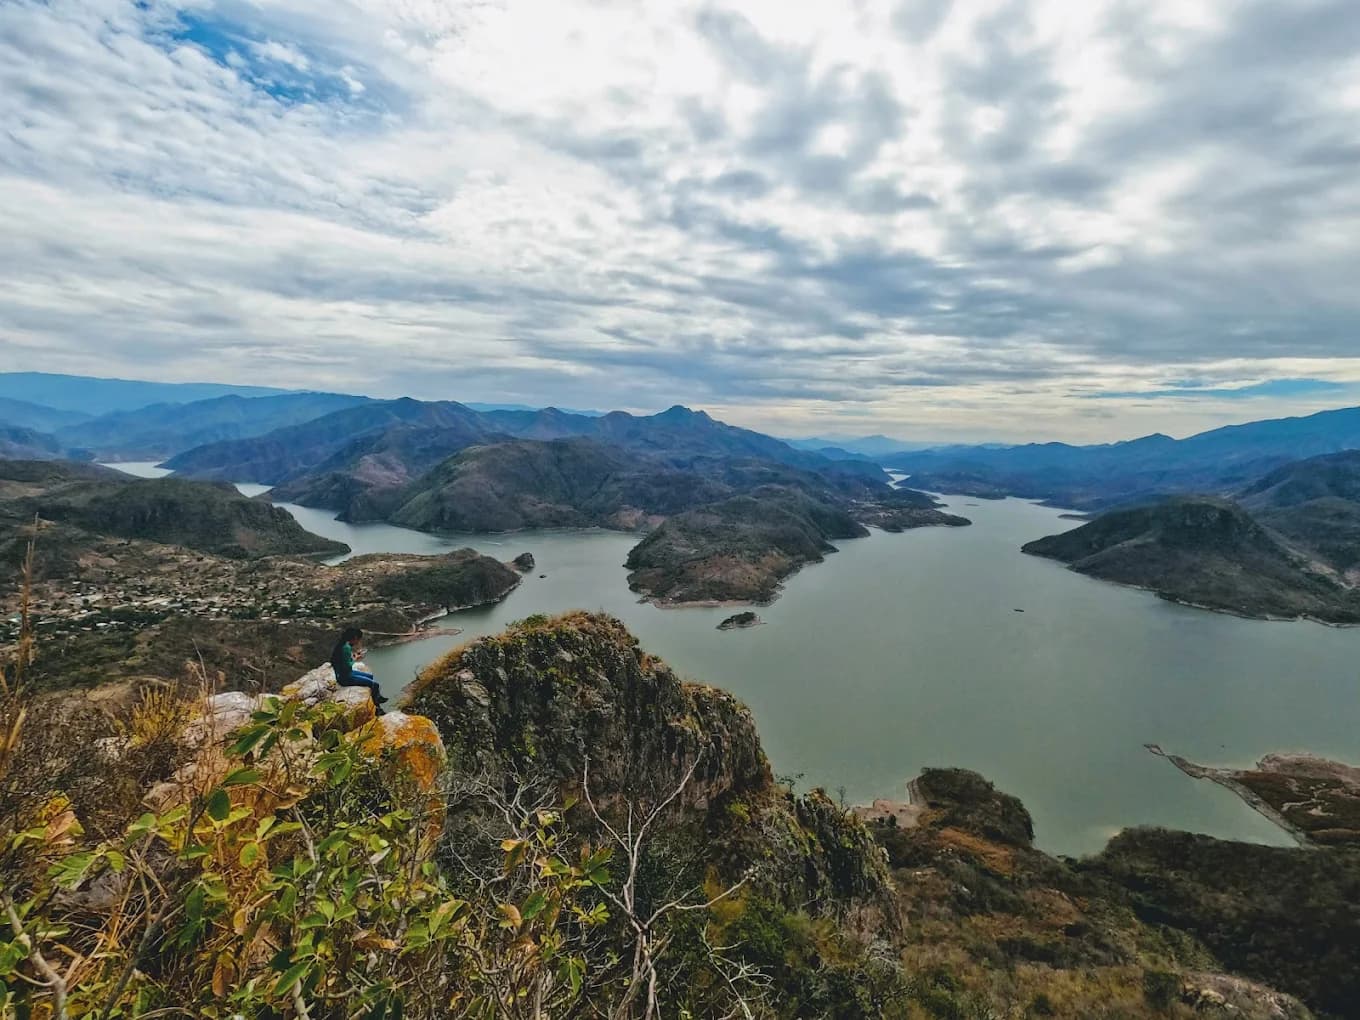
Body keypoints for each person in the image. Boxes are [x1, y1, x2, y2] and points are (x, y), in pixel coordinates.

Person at [330, 626, 387, 711]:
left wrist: (354, 656)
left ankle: (376, 699)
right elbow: (347, 666)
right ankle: (377, 707)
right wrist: (356, 659)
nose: (358, 641)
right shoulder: (346, 648)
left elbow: (343, 661)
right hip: (345, 677)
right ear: (355, 638)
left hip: (344, 674)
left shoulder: (342, 645)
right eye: (359, 639)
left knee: (370, 676)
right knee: (375, 685)